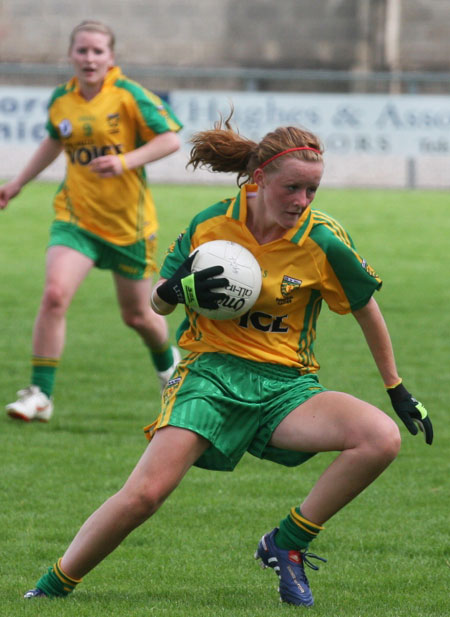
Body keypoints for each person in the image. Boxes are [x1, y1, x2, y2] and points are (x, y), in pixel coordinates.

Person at [23, 113, 433, 607]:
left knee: (380, 438)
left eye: (312, 190)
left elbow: (365, 305)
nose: (301, 201)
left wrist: (396, 387)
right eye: (292, 188)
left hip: (287, 387)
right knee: (145, 495)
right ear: (259, 179)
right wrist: (173, 290)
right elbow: (158, 300)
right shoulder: (212, 225)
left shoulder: (322, 239)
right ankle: (50, 587)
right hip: (209, 377)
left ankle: (287, 543)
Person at [1, 20, 183, 422]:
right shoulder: (62, 99)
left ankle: (169, 365)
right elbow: (54, 140)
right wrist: (17, 183)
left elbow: (171, 137)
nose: (89, 58)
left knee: (138, 317)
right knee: (54, 295)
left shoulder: (129, 95)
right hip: (76, 218)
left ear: (111, 57)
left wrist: (124, 161)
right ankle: (40, 396)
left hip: (128, 226)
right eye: (81, 50)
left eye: (97, 51)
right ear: (70, 55)